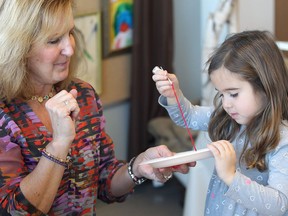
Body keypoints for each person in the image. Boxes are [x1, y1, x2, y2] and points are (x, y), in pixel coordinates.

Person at [0, 1, 194, 215]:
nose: (70, 48)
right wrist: (59, 144)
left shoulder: (82, 94)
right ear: (20, 47)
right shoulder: (5, 115)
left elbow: (104, 181)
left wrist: (138, 166)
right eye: (54, 40)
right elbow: (14, 211)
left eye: (70, 33)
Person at [152, 30, 288, 215]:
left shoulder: (282, 141)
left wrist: (231, 176)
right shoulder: (228, 119)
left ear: (265, 86)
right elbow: (189, 117)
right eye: (221, 94)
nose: (226, 103)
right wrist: (173, 95)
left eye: (233, 94)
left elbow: (279, 205)